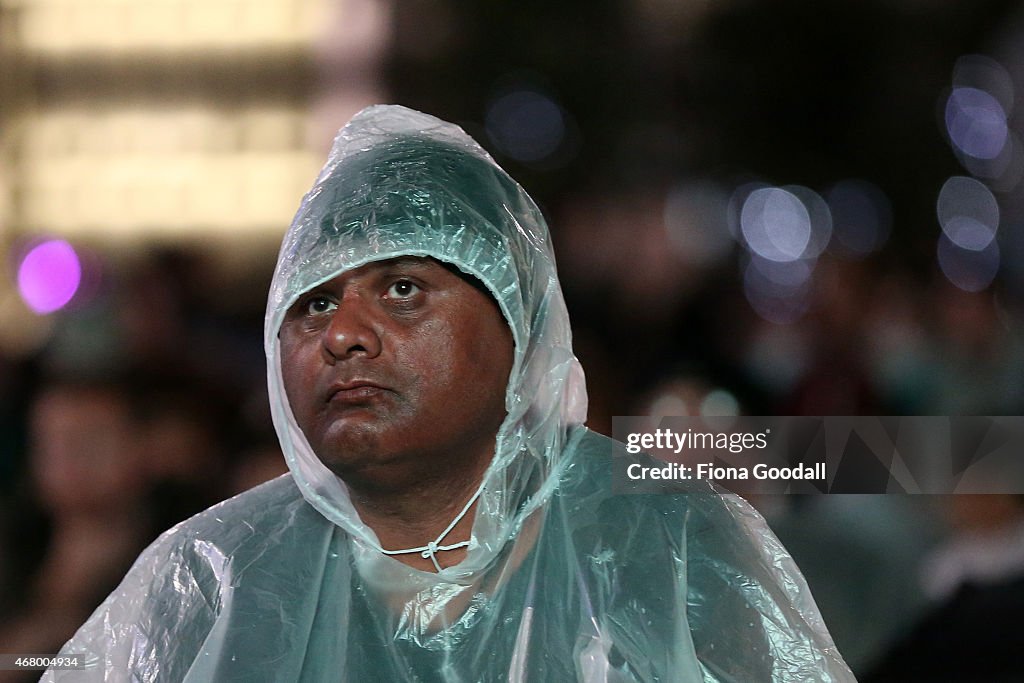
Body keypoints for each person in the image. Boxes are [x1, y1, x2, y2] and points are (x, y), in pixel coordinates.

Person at [45, 105, 853, 681]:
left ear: (520, 327)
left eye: (402, 288)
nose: (343, 334)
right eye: (314, 303)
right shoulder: (210, 577)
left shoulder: (671, 545)